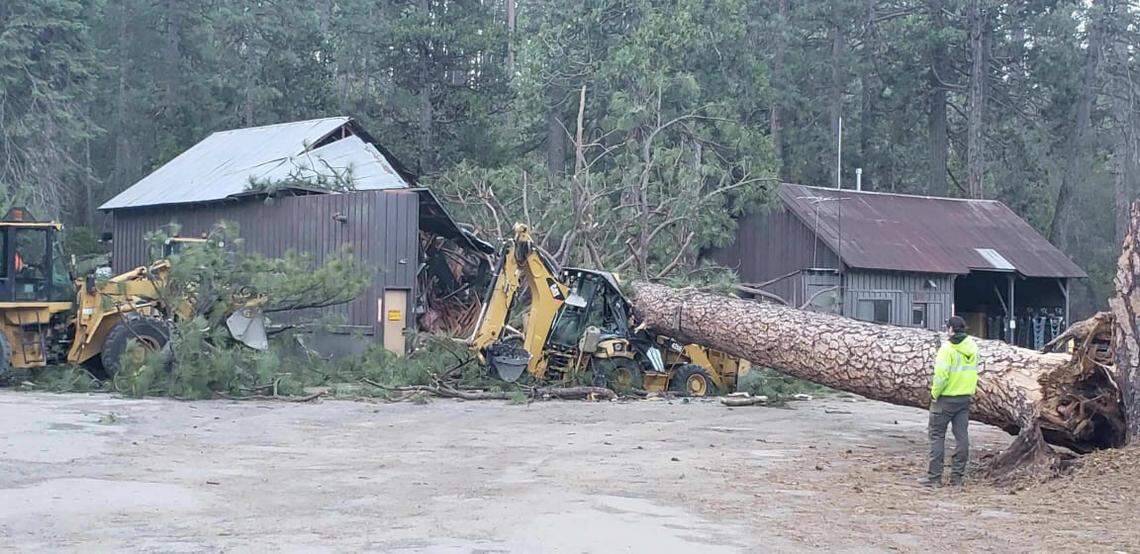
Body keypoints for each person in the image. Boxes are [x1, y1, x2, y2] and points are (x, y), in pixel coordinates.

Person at [918, 315, 979, 488]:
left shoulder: (947, 349)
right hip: (964, 398)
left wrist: (934, 394)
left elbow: (941, 377)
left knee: (937, 437)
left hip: (945, 399)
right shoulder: (973, 347)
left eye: (947, 328)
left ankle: (934, 478)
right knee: (962, 438)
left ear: (951, 329)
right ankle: (957, 478)